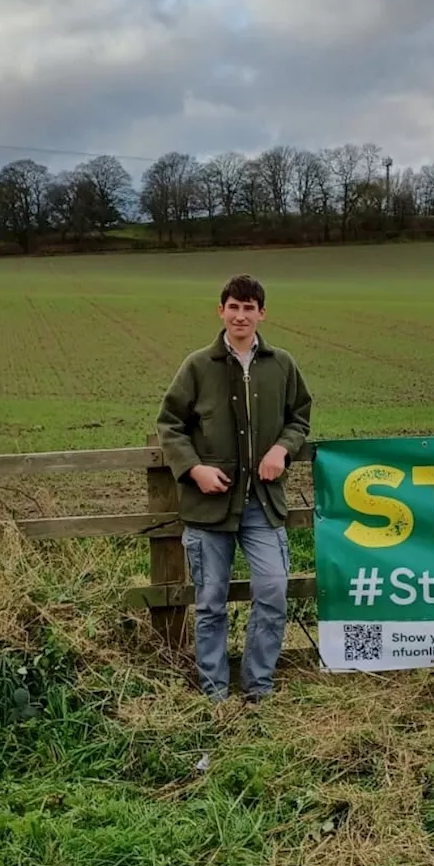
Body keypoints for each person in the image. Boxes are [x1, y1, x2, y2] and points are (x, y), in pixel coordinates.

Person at [156, 274, 313, 701]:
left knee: (273, 593)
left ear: (262, 313)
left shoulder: (281, 364)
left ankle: (258, 688)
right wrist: (194, 470)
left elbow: (300, 416)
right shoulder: (197, 366)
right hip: (209, 508)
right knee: (210, 603)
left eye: (249, 308)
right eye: (233, 307)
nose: (241, 315)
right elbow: (170, 424)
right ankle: (214, 693)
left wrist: (282, 448)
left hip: (262, 505)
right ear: (221, 311)